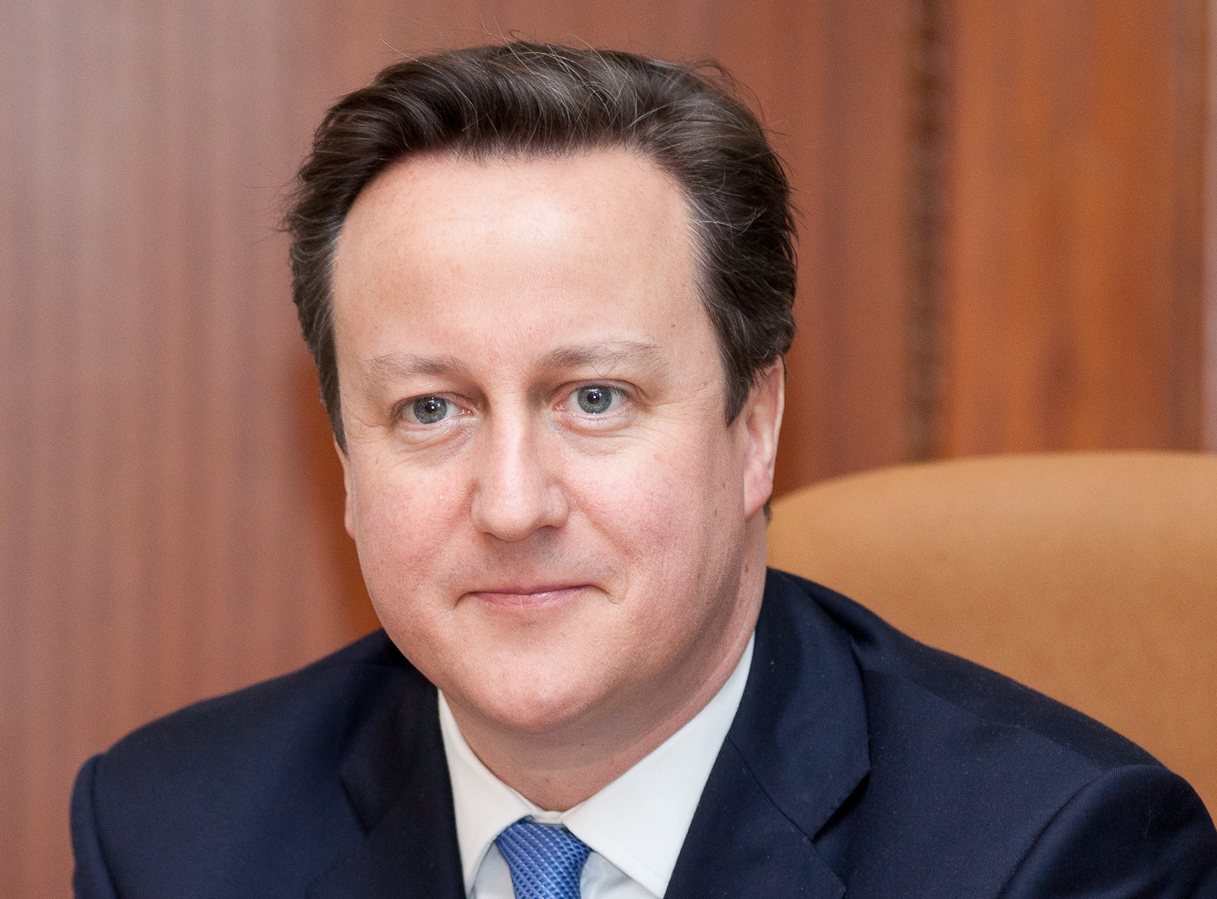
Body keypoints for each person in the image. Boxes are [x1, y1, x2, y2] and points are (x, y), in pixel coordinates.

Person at [71, 42, 1217, 899]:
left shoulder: (1049, 855)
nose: (511, 504)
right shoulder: (168, 834)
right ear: (344, 464)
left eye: (593, 397)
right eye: (431, 408)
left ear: (753, 424)